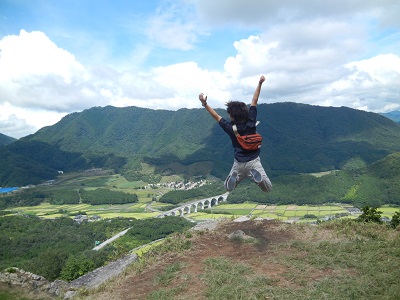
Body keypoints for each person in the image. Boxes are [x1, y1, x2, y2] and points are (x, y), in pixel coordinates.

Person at [199, 75, 272, 192]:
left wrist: (204, 103)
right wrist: (260, 83)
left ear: (232, 115)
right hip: (253, 163)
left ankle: (233, 178)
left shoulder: (230, 128)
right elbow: (254, 100)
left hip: (238, 164)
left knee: (227, 188)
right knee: (267, 188)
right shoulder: (251, 121)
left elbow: (216, 116)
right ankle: (257, 178)